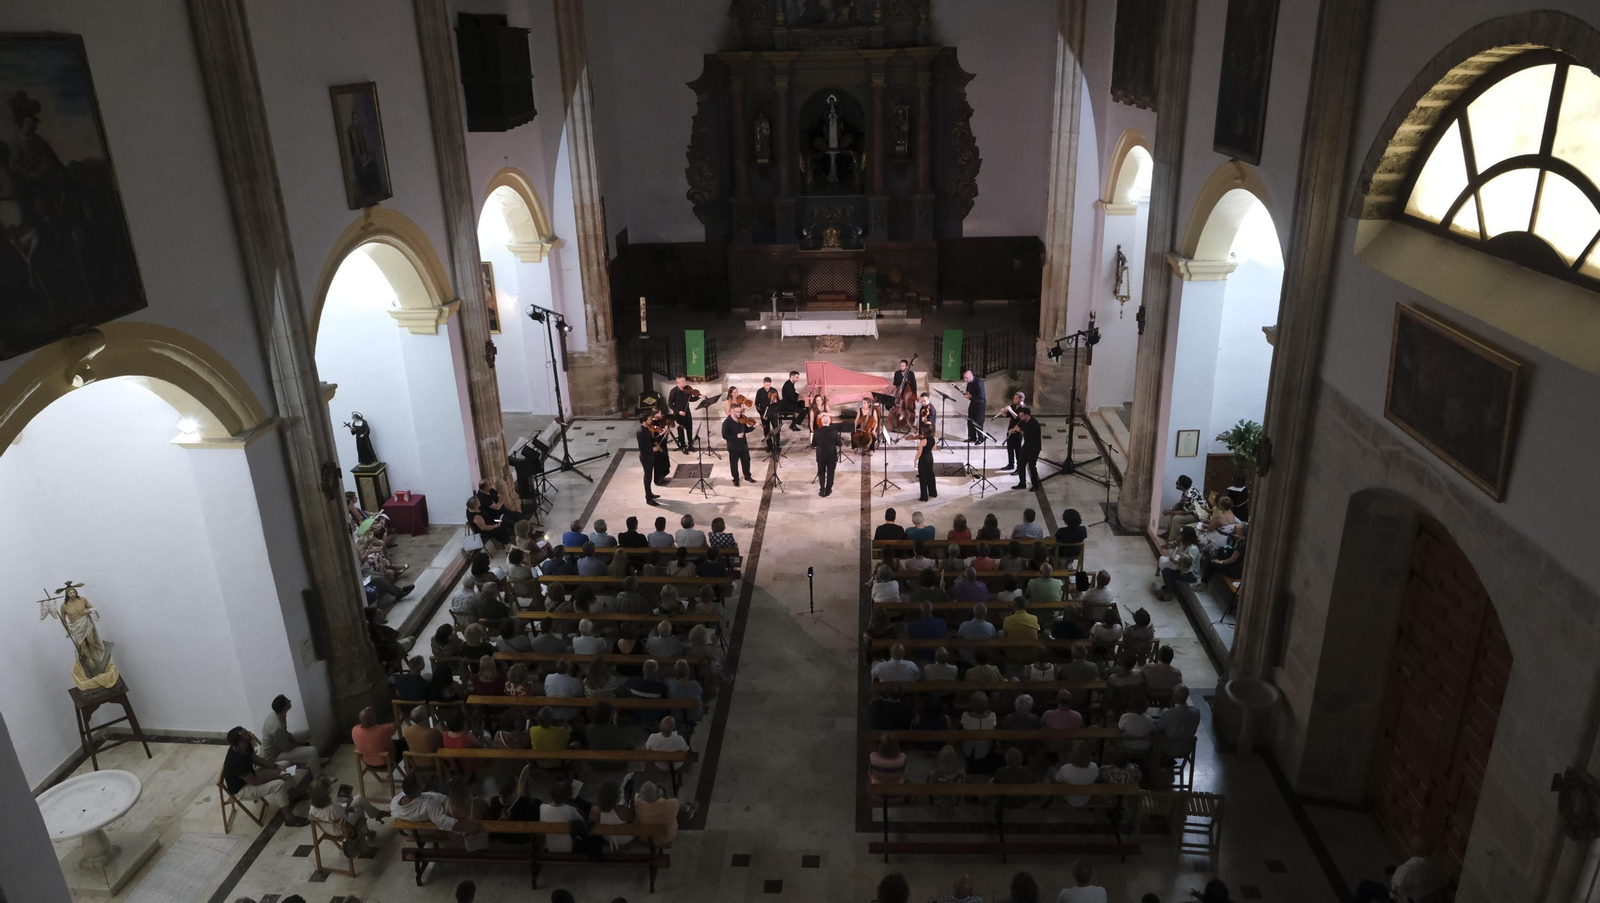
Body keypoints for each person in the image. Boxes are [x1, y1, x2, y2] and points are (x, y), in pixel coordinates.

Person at [222, 726, 307, 825]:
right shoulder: (236, 760)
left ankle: (293, 795)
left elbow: (255, 759)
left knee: (285, 765)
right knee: (279, 784)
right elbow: (254, 781)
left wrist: (275, 766)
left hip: (251, 776)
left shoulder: (245, 744)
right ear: (240, 742)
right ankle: (289, 818)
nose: (249, 733)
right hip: (244, 788)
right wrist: (277, 776)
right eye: (245, 733)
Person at [1353, 836, 1452, 903]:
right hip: (1423, 893)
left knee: (1365, 885)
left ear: (1417, 850)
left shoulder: (1411, 867)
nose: (1408, 846)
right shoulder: (1438, 862)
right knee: (1391, 868)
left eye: (1410, 845)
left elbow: (1393, 887)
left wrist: (1380, 879)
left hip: (1404, 899)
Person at [307, 776, 385, 856]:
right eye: (329, 787)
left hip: (330, 827)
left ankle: (375, 816)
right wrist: (348, 803)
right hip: (342, 829)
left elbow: (335, 815)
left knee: (358, 799)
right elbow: (345, 818)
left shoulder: (313, 807)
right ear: (325, 792)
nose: (331, 788)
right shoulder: (332, 808)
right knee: (358, 807)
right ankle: (368, 829)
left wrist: (343, 805)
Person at [392, 770, 478, 836]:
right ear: (417, 790)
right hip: (443, 801)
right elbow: (442, 821)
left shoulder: (395, 802)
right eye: (420, 783)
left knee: (446, 785)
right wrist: (467, 827)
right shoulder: (428, 804)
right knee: (455, 784)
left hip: (434, 796)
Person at [259, 695, 323, 778]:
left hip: (280, 744)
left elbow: (285, 735)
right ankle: (319, 779)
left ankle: (314, 761)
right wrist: (299, 745)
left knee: (307, 733)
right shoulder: (277, 726)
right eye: (287, 701)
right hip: (274, 756)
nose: (290, 700)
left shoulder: (277, 715)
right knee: (311, 751)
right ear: (284, 707)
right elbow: (286, 747)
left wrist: (294, 740)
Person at [1157, 526, 1204, 602]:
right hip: (1183, 568)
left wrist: (1176, 561)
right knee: (1164, 563)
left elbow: (1188, 564)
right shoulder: (1184, 544)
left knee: (1166, 571)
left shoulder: (1193, 549)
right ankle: (1170, 586)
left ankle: (1169, 593)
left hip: (1190, 574)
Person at [632, 780, 687, 845]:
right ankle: (688, 809)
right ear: (658, 792)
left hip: (647, 838)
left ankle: (688, 809)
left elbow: (637, 797)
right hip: (667, 836)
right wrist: (666, 789)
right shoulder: (671, 804)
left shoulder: (638, 804)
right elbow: (673, 800)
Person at [1155, 685, 1202, 760]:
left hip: (1167, 749)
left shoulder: (1169, 713)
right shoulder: (1196, 712)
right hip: (1186, 749)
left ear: (1174, 697)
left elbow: (1158, 728)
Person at [538, 780, 584, 852]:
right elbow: (582, 822)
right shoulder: (570, 810)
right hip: (568, 849)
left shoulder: (542, 808)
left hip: (550, 848)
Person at [589, 780, 635, 852]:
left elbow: (593, 826)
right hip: (626, 838)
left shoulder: (595, 811)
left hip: (608, 839)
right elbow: (632, 820)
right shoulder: (623, 810)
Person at [351, 706, 400, 771]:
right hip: (387, 761)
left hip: (368, 762)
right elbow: (395, 726)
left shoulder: (354, 730)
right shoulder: (383, 729)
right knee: (406, 742)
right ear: (374, 719)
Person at [1160, 474, 1204, 542]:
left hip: (1198, 515)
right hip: (1191, 511)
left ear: (1181, 486)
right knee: (1171, 514)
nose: (1176, 483)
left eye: (1178, 483)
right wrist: (1171, 509)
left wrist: (1170, 512)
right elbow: (1181, 503)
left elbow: (1184, 511)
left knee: (1176, 519)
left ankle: (1172, 541)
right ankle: (1167, 533)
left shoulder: (1190, 495)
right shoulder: (1187, 490)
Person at [1055, 742, 1100, 807]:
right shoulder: (1094, 767)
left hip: (1068, 798)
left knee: (1053, 769)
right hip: (1085, 798)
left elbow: (1057, 779)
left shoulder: (1065, 769)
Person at [722, 404, 757, 485]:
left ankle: (747, 476)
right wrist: (736, 436)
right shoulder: (727, 423)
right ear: (732, 411)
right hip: (733, 447)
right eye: (738, 412)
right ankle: (736, 479)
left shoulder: (742, 419)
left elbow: (746, 430)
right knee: (734, 463)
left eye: (740, 412)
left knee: (746, 461)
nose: (740, 414)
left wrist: (753, 427)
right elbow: (724, 435)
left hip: (743, 445)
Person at [637, 412, 665, 505]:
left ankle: (650, 493)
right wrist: (652, 448)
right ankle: (648, 498)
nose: (651, 421)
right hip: (645, 457)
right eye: (649, 420)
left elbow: (652, 440)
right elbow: (642, 448)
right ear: (644, 421)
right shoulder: (640, 432)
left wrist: (661, 434)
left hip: (650, 456)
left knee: (649, 476)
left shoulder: (646, 429)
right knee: (647, 477)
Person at [1012, 407, 1042, 491]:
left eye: (1021, 416)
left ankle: (1035, 485)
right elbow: (1020, 429)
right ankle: (1022, 483)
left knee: (1032, 466)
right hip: (1026, 446)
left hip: (1034, 447)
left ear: (1027, 415)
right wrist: (1013, 430)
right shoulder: (1023, 421)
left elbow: (1028, 436)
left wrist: (1019, 430)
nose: (1020, 417)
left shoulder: (1034, 423)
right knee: (1021, 464)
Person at [666, 375, 697, 451]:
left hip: (687, 413)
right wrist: (678, 411)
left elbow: (691, 399)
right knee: (681, 431)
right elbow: (670, 403)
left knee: (689, 429)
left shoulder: (686, 390)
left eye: (684, 381)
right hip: (678, 415)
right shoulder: (673, 391)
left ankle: (690, 445)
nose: (684, 383)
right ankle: (683, 446)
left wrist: (698, 397)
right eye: (683, 381)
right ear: (678, 382)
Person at [961, 368, 986, 442]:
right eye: (964, 378)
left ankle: (980, 439)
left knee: (978, 422)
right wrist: (967, 395)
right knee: (970, 420)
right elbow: (969, 393)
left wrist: (970, 396)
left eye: (966, 378)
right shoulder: (969, 383)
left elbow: (981, 396)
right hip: (973, 403)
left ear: (971, 376)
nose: (965, 379)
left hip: (980, 405)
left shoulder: (979, 382)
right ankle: (972, 437)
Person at [915, 420, 938, 501]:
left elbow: (919, 453)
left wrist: (915, 461)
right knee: (931, 475)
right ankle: (933, 493)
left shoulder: (923, 441)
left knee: (923, 478)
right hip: (930, 457)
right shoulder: (934, 438)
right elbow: (934, 449)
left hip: (923, 459)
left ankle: (924, 497)